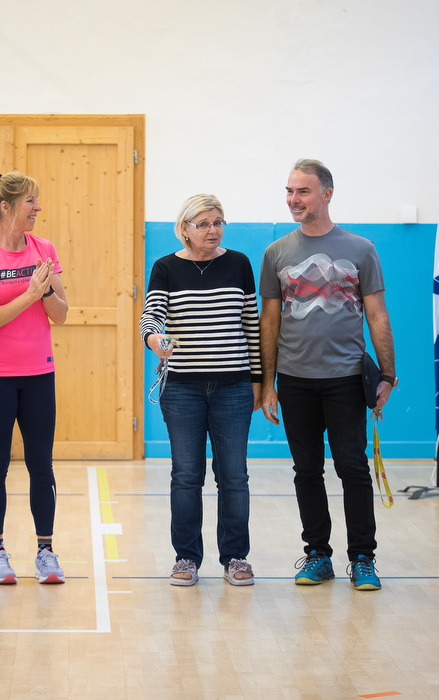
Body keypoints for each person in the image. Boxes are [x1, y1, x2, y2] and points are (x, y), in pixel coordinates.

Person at [259, 159, 396, 591]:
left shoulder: (361, 249)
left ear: (327, 194)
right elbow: (269, 321)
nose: (293, 199)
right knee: (306, 470)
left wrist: (388, 375)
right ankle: (318, 555)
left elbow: (377, 315)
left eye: (302, 191)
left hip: (346, 379)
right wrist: (268, 384)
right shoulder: (276, 253)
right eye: (289, 191)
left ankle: (363, 558)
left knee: (352, 468)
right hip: (294, 381)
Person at [140, 194, 261, 587]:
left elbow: (252, 326)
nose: (213, 230)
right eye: (204, 224)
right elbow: (151, 317)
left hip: (234, 388)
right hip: (183, 390)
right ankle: (186, 557)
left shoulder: (239, 264)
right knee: (186, 475)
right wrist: (155, 340)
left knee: (234, 476)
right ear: (185, 229)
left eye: (218, 222)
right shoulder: (166, 267)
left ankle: (236, 556)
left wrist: (259, 383)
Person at [0, 169, 68, 585]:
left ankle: (46, 552)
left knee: (41, 464)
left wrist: (45, 291)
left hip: (40, 373)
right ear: (6, 207)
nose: (38, 208)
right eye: (30, 201)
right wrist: (29, 293)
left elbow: (60, 315)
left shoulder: (44, 250)